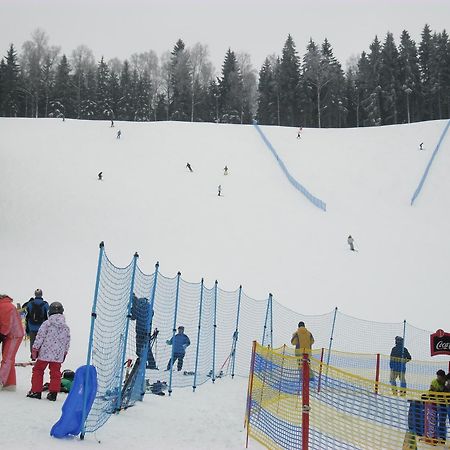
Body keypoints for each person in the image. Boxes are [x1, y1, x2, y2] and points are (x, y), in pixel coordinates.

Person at [27, 301, 70, 401]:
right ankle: (53, 393)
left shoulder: (47, 324)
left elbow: (40, 337)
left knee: (38, 370)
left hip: (45, 354)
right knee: (56, 374)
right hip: (57, 355)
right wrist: (64, 353)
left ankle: (36, 391)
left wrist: (35, 349)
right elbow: (67, 342)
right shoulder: (65, 327)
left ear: (49, 312)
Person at [0, 294, 25, 391]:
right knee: (9, 359)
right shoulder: (4, 305)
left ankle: (1, 381)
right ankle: (10, 383)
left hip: (14, 335)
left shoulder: (4, 306)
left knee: (7, 359)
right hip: (9, 334)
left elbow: (6, 323)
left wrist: (1, 334)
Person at [130, 294, 158, 369]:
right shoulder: (147, 306)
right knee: (146, 348)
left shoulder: (140, 306)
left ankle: (146, 364)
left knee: (140, 349)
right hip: (146, 330)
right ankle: (150, 364)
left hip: (141, 330)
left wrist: (131, 309)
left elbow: (134, 316)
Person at [25, 289, 49, 355]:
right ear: (41, 294)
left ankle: (33, 355)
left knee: (32, 341)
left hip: (31, 326)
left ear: (35, 294)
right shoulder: (45, 304)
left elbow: (27, 315)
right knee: (41, 341)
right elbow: (48, 315)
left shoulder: (30, 304)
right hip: (42, 327)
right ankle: (41, 355)